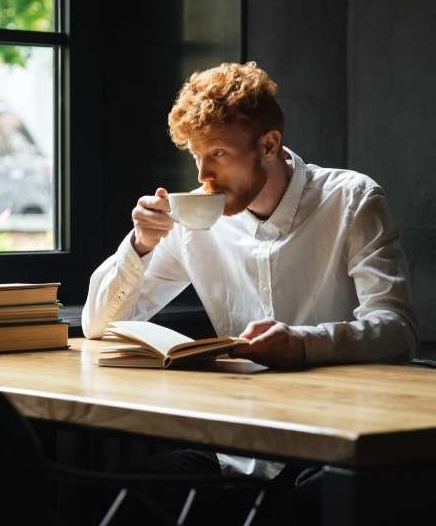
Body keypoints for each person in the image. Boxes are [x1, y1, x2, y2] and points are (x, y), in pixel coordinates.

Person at [81, 61, 418, 522]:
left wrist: (302, 344)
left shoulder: (351, 199)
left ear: (268, 144)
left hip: (332, 446)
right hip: (238, 452)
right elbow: (96, 324)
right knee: (119, 502)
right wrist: (140, 245)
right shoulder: (194, 223)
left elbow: (397, 329)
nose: (204, 175)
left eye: (217, 153)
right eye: (196, 157)